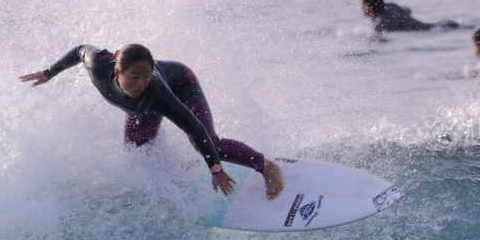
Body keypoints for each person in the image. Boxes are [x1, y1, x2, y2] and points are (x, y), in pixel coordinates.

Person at [19, 44, 284, 200]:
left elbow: (195, 128)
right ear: (117, 71)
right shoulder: (99, 65)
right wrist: (49, 73)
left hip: (182, 84)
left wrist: (216, 169)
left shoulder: (157, 92)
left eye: (146, 76)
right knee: (138, 154)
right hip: (144, 108)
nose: (141, 83)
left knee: (209, 143)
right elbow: (79, 51)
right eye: (134, 77)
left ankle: (265, 166)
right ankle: (175, 177)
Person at [359, 0, 459, 32]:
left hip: (437, 30)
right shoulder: (391, 6)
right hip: (442, 24)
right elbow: (408, 10)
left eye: (361, 4)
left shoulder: (381, 23)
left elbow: (378, 32)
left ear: (367, 5)